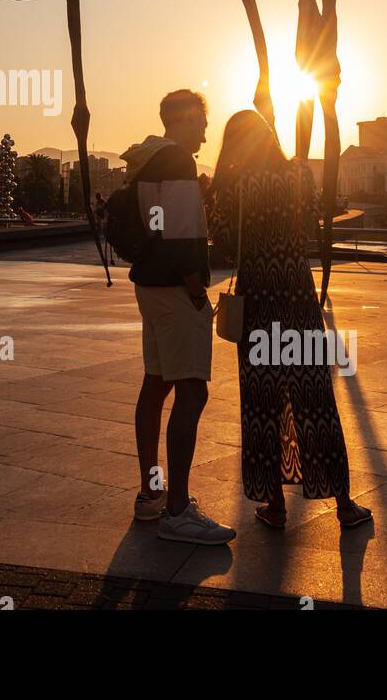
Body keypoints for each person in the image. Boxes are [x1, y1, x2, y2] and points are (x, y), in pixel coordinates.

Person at [207, 109, 371, 531]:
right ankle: (344, 504)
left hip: (258, 302)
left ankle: (276, 505)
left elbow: (224, 243)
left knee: (262, 405)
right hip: (299, 300)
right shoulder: (300, 176)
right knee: (315, 401)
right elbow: (313, 222)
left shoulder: (232, 187)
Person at [122, 90, 236, 545]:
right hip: (174, 288)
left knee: (156, 384)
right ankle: (177, 510)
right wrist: (195, 290)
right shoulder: (179, 162)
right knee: (193, 392)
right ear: (184, 120)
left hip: (148, 285)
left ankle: (151, 493)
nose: (206, 132)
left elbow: (158, 223)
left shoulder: (147, 158)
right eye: (202, 123)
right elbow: (182, 235)